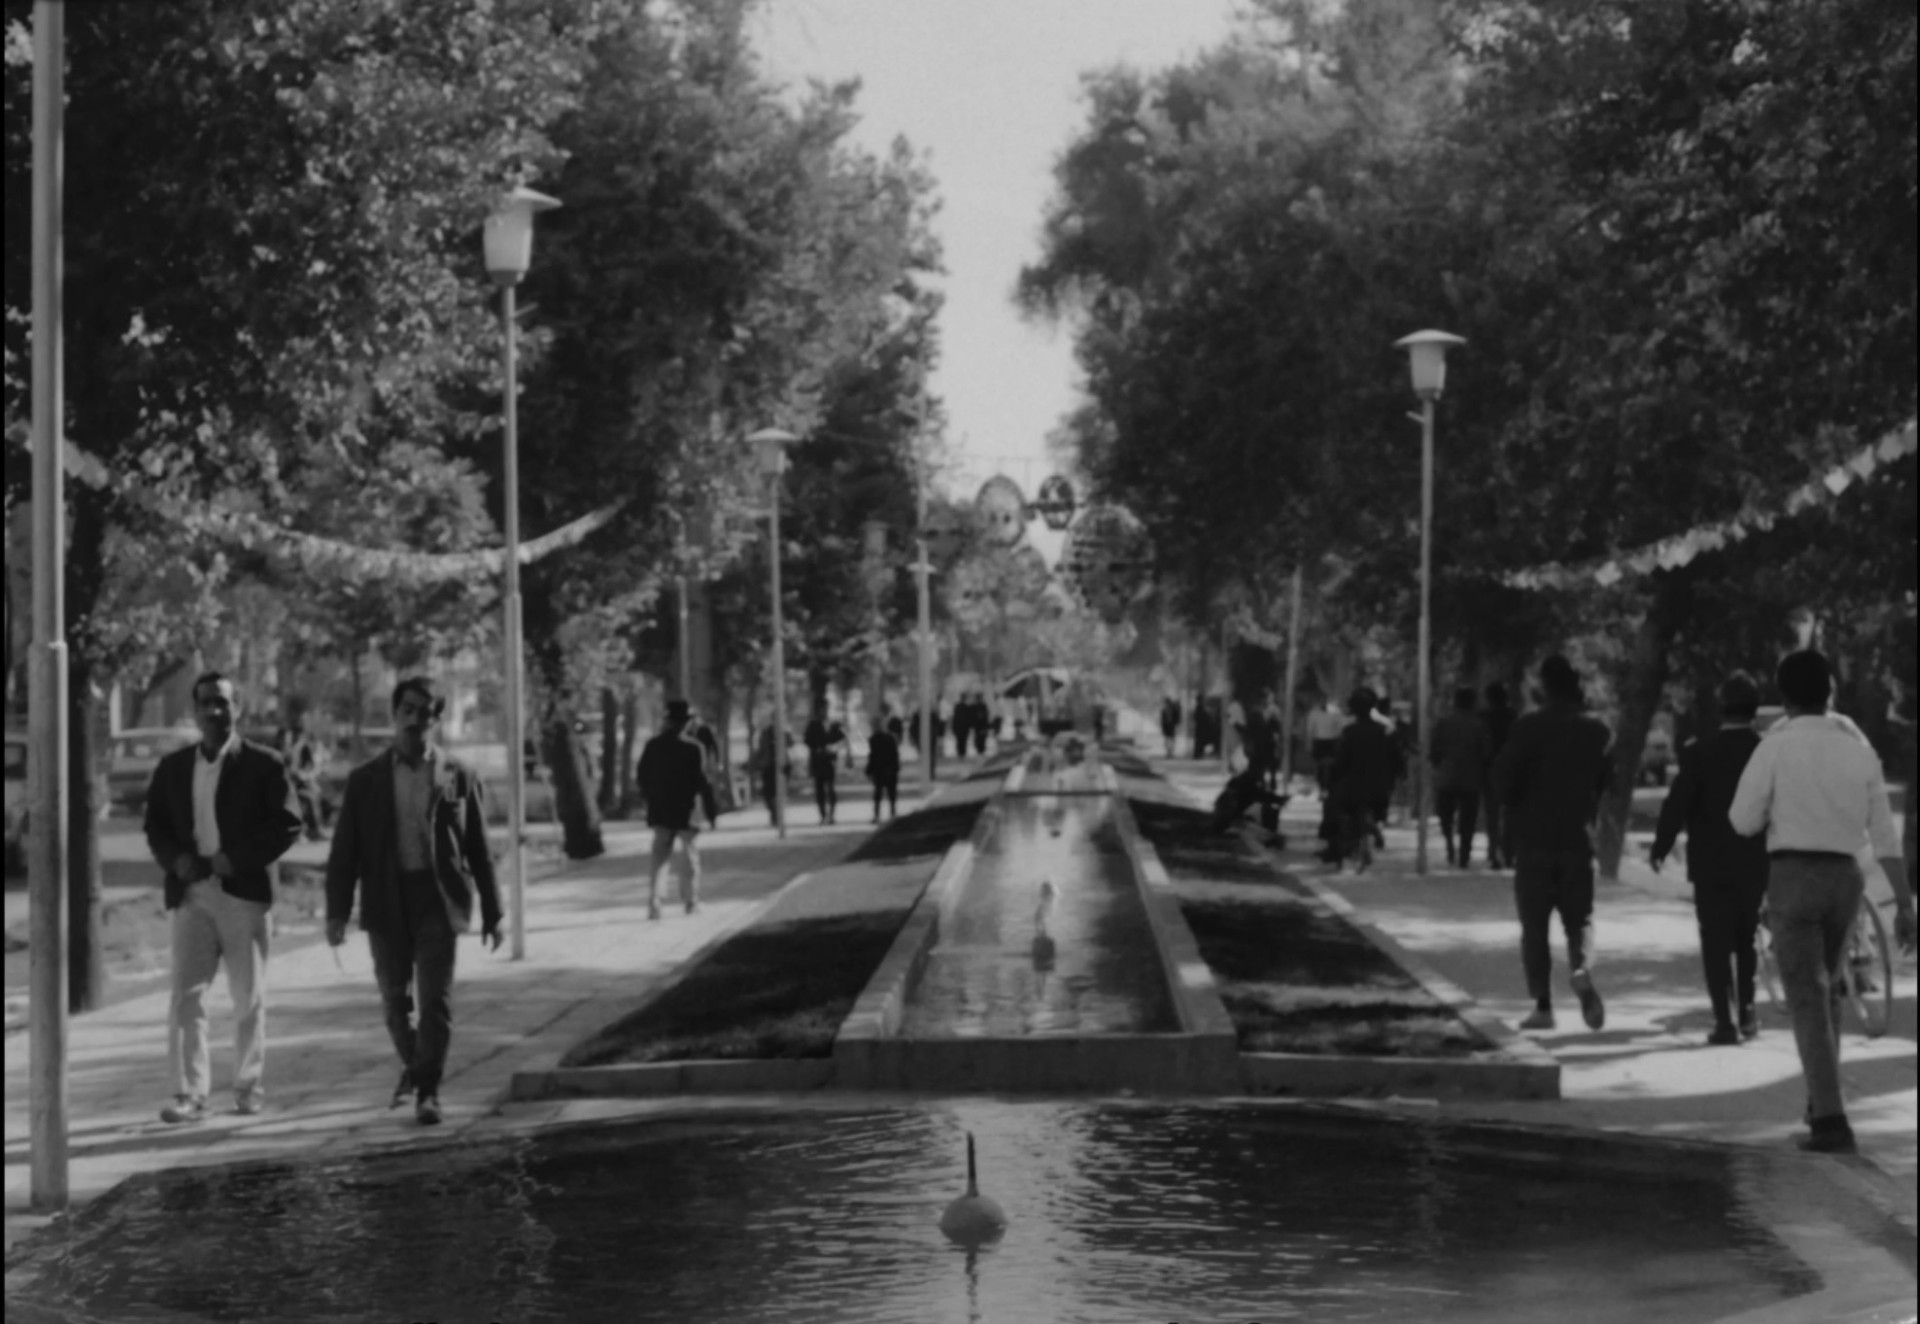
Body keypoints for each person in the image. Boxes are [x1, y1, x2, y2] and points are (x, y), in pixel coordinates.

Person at [1728, 649, 1917, 1153]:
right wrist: (1904, 904)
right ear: (1830, 691)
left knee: (1807, 998)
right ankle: (1819, 1103)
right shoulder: (1859, 750)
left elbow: (1742, 819)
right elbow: (1885, 836)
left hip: (1793, 876)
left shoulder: (1773, 747)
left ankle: (1831, 1122)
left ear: (1784, 697)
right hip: (1845, 880)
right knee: (1826, 989)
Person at [325, 677, 503, 1126]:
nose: (415, 720)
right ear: (394, 714)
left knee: (435, 1001)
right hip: (386, 900)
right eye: (407, 710)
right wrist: (336, 912)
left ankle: (427, 1091)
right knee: (395, 1003)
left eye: (425, 712)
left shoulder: (459, 775)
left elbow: (478, 847)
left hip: (437, 900)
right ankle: (417, 1066)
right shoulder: (366, 781)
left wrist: (494, 912)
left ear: (436, 719)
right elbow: (345, 852)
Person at [144, 672, 304, 1123]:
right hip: (192, 894)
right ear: (194, 711)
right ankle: (189, 1094)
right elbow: (155, 826)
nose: (214, 711)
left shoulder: (263, 765)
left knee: (247, 996)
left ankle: (248, 1087)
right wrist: (175, 860)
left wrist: (238, 858)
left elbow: (289, 823)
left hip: (243, 894)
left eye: (223, 703)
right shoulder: (174, 768)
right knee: (185, 995)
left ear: (239, 709)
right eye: (206, 704)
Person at [1491, 654, 1613, 1033]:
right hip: (1577, 839)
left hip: (1533, 841)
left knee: (1535, 927)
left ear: (1544, 685)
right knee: (1580, 920)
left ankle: (1543, 1006)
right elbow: (1606, 783)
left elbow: (1503, 783)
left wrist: (1505, 831)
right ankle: (1581, 968)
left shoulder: (1527, 727)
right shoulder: (1597, 731)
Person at [1650, 671, 1770, 1045]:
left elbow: (1677, 803)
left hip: (1710, 864)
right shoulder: (1765, 752)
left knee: (1715, 942)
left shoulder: (1699, 752)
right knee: (1747, 936)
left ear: (1720, 709)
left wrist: (1661, 846)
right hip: (1754, 861)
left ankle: (1724, 1022)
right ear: (1754, 709)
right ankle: (1748, 1011)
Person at [637, 699, 717, 919]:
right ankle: (691, 901)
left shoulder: (653, 746)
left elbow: (642, 777)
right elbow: (702, 782)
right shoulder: (694, 748)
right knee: (689, 856)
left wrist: (651, 798)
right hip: (686, 809)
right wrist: (711, 812)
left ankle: (655, 902)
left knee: (659, 857)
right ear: (686, 722)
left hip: (661, 809)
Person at [1322, 688, 1399, 872]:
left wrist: (1331, 777)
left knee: (1332, 807)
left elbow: (1340, 762)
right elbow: (1396, 761)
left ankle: (1334, 848)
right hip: (1379, 791)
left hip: (1353, 791)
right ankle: (1368, 831)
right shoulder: (1385, 731)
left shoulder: (1349, 733)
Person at [1431, 686, 1493, 869]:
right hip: (1470, 778)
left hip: (1447, 776)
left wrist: (1438, 764)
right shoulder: (1479, 725)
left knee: (1445, 816)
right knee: (1468, 819)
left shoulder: (1444, 723)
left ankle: (1450, 844)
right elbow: (1486, 752)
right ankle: (1465, 853)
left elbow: (1434, 749)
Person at [1480, 681, 1518, 870]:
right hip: (1511, 768)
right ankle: (1508, 851)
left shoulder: (1483, 717)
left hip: (1490, 767)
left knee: (1492, 813)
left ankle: (1494, 850)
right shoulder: (1514, 716)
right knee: (1509, 812)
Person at [277, 712, 326, 841]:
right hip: (284, 785)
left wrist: (302, 774)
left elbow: (309, 766)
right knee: (307, 798)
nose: (289, 739)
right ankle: (310, 830)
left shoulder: (301, 748)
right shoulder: (280, 750)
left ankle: (314, 830)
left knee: (312, 795)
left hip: (296, 784)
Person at [804, 706, 845, 825]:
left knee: (831, 789)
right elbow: (807, 740)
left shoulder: (832, 725)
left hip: (829, 761)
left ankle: (831, 815)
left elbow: (840, 738)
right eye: (821, 710)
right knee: (820, 790)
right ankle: (823, 815)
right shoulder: (813, 725)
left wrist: (833, 746)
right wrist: (818, 747)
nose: (823, 712)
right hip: (818, 762)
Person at [866, 713, 902, 823]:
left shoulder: (874, 739)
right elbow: (894, 755)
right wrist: (895, 768)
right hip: (888, 770)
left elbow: (873, 756)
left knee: (879, 794)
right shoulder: (890, 738)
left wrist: (869, 771)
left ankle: (879, 815)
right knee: (890, 794)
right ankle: (891, 814)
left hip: (881, 770)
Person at [1307, 698, 1346, 797]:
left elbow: (1340, 729)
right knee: (1321, 768)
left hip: (1331, 742)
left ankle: (1328, 789)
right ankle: (1322, 789)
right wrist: (1310, 744)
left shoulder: (1336, 712)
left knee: (1331, 767)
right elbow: (1310, 729)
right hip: (1320, 742)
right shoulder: (1314, 713)